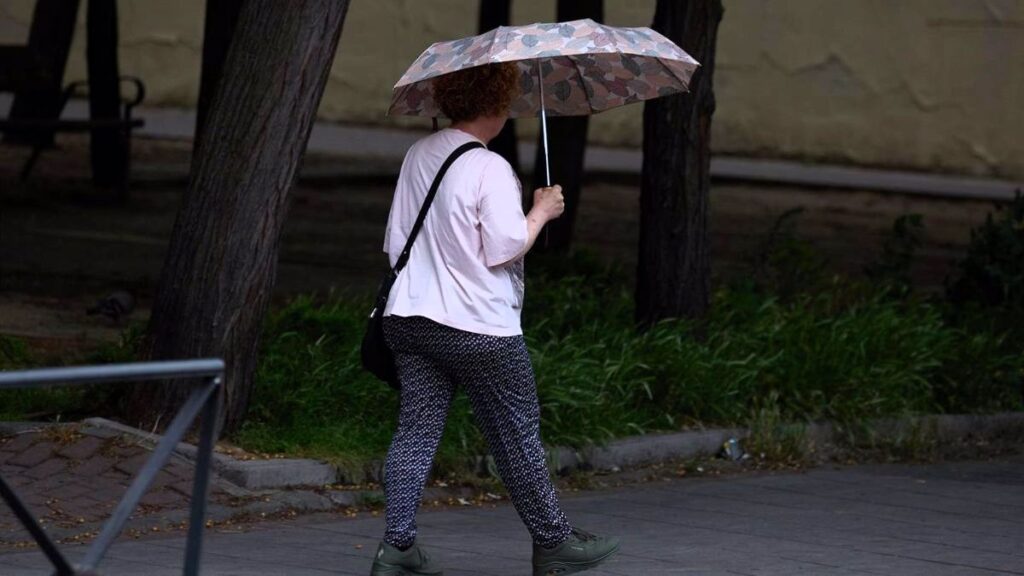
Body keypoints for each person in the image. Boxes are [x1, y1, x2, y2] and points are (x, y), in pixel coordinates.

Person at [369, 62, 620, 576]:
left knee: (415, 431)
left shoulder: (419, 154)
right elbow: (504, 247)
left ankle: (397, 548)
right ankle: (553, 544)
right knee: (517, 434)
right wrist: (542, 211)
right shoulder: (491, 167)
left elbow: (395, 240)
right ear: (497, 107)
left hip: (410, 319)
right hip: (479, 329)